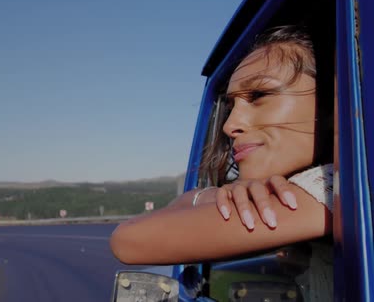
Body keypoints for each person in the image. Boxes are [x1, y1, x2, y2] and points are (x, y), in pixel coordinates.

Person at [109, 25, 334, 266]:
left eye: (258, 95)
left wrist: (207, 198)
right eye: (229, 108)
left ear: (331, 102)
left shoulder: (330, 192)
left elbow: (128, 241)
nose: (229, 125)